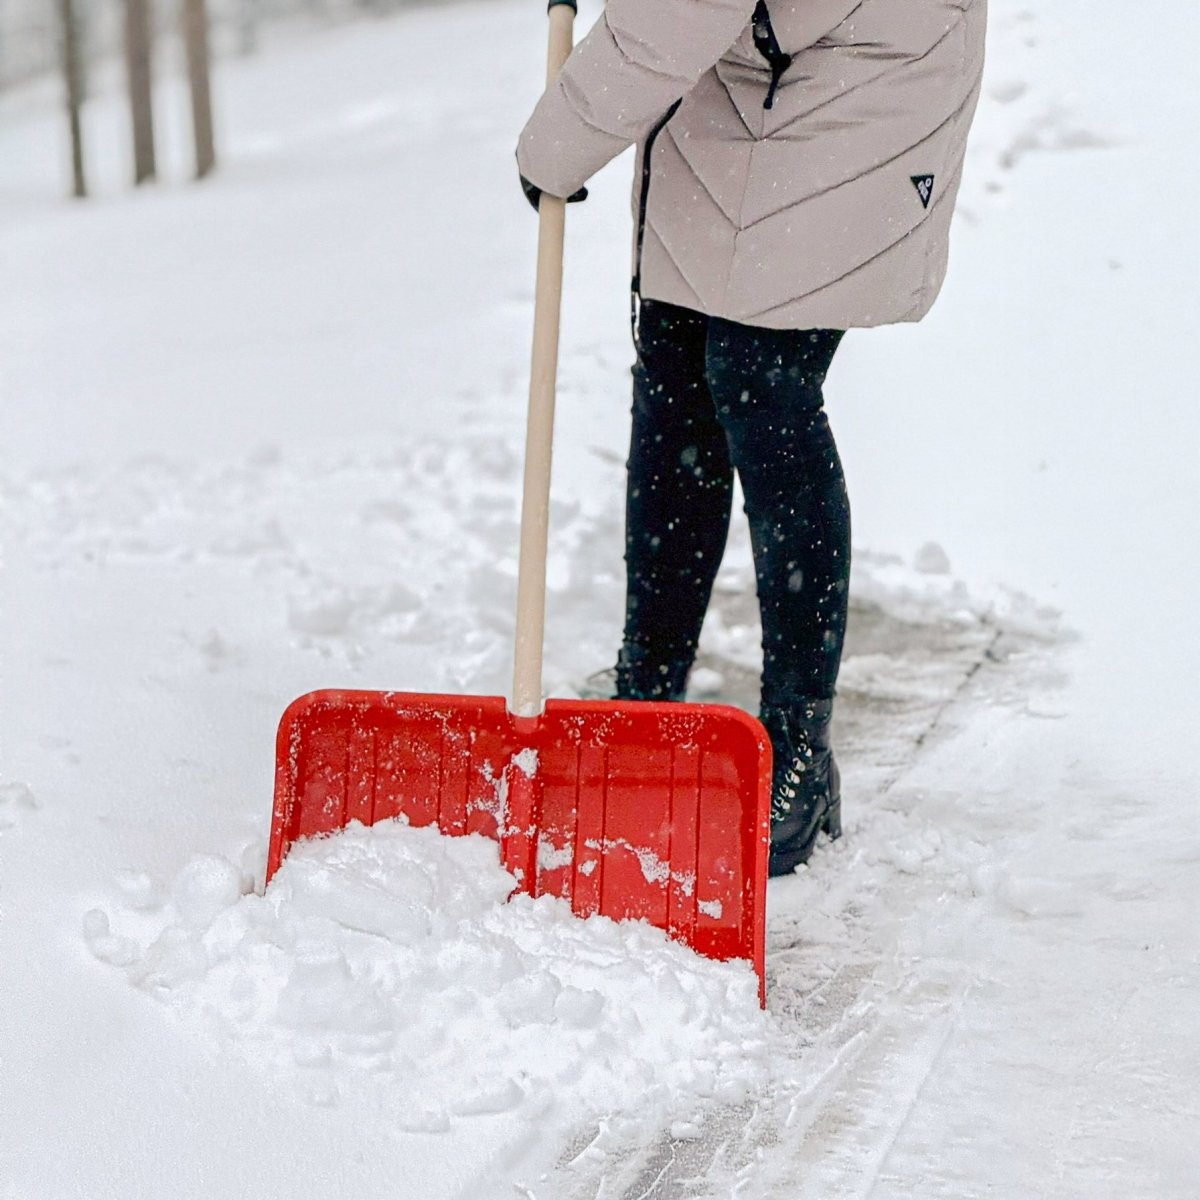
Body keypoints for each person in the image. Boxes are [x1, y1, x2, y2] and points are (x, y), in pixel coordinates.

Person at [516, 0, 986, 875]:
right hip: (752, 65)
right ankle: (647, 694)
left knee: (760, 377)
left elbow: (679, 14)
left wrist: (557, 143)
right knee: (677, 354)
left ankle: (798, 747)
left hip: (866, 69)